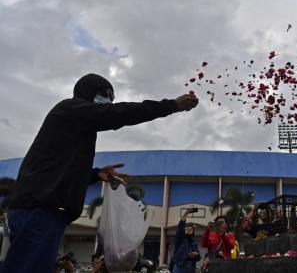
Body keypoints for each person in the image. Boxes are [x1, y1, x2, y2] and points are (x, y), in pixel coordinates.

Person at [3, 73, 198, 273]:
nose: (108, 103)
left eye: (111, 100)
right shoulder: (70, 109)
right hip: (39, 209)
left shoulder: (76, 126)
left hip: (42, 209)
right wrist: (171, 105)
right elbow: (118, 113)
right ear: (89, 93)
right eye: (106, 97)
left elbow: (59, 168)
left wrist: (95, 174)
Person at [171, 208, 201, 273]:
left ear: (193, 232)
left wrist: (195, 255)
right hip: (180, 267)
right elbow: (180, 227)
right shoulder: (180, 239)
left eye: (191, 229)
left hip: (191, 268)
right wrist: (186, 213)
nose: (188, 229)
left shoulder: (194, 243)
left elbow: (199, 258)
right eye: (186, 228)